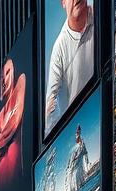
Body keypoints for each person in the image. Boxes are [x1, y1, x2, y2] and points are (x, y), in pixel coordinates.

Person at [44, 0, 94, 133]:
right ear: (63, 3)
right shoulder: (59, 48)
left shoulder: (100, 15)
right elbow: (49, 107)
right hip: (81, 124)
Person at [0, 55, 27, 191]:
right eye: (2, 77)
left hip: (15, 179)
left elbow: (12, 126)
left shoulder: (20, 83)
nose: (4, 79)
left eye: (8, 72)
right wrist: (0, 145)